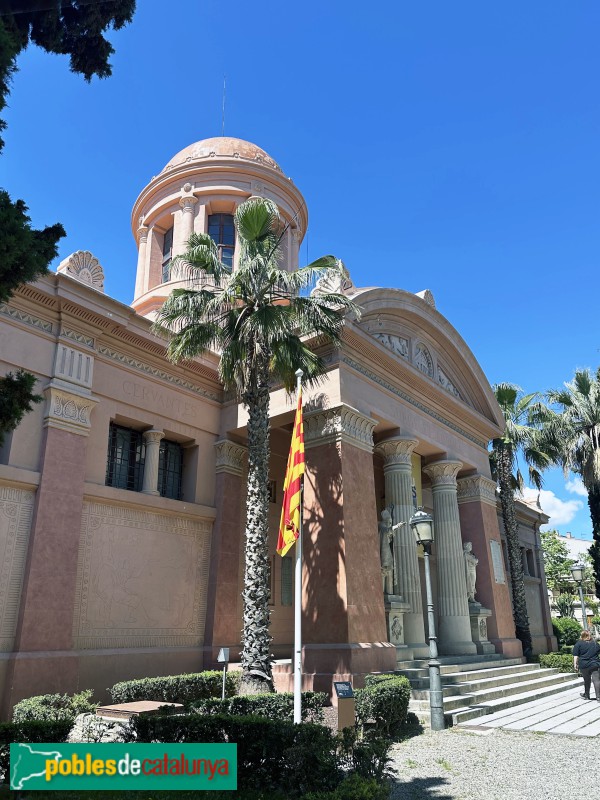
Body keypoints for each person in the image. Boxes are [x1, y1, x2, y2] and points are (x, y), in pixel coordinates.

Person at [572, 629, 600, 701]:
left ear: (582, 636)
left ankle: (587, 695)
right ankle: (598, 697)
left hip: (584, 665)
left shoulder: (578, 644)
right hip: (595, 664)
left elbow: (576, 656)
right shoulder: (595, 643)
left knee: (586, 680)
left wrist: (575, 664)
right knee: (596, 680)